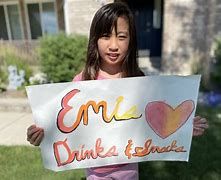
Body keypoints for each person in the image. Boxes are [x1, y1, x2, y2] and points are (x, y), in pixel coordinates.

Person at [27, 2, 209, 180]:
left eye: (121, 37)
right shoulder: (82, 82)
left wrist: (183, 129)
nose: (113, 45)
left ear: (131, 41)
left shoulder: (139, 81)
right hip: (94, 173)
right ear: (95, 39)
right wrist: (42, 135)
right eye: (106, 36)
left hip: (129, 171)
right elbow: (66, 126)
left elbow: (155, 121)